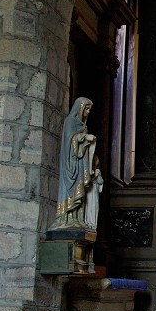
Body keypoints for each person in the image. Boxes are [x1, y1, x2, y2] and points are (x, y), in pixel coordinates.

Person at [50, 97, 97, 230]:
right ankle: (66, 218)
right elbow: (69, 141)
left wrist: (88, 141)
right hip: (71, 163)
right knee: (70, 189)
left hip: (80, 163)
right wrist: (83, 137)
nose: (87, 112)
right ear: (80, 108)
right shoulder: (70, 122)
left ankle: (76, 218)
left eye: (89, 109)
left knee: (80, 190)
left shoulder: (83, 125)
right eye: (86, 109)